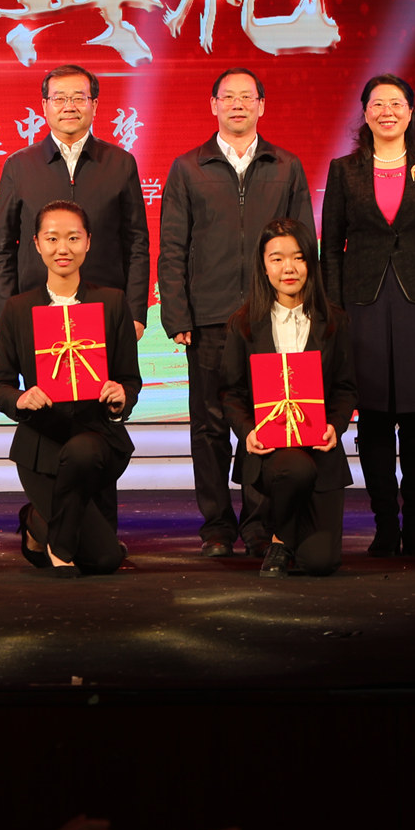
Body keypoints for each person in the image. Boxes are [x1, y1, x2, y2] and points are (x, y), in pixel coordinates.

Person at [159, 67, 315, 559]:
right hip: (208, 318)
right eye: (228, 97)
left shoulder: (286, 165)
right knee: (208, 426)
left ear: (262, 106)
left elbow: (305, 245)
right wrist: (177, 315)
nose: (238, 105)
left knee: (264, 421)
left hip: (270, 318)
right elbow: (172, 247)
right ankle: (216, 526)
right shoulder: (188, 167)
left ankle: (258, 523)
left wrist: (303, 309)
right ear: (213, 105)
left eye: (247, 97)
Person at [319, 73, 415, 558]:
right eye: (377, 104)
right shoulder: (344, 170)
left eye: (397, 103)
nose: (387, 112)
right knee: (375, 419)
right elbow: (331, 246)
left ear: (410, 112)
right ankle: (385, 526)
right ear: (365, 113)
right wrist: (333, 308)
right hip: (361, 306)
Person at [0, 200, 142, 576]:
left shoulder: (112, 302)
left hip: (96, 443)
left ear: (88, 241)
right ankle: (37, 522)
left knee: (105, 559)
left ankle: (49, 533)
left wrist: (121, 397)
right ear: (37, 244)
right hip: (42, 446)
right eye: (52, 238)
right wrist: (21, 398)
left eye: (73, 238)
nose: (63, 248)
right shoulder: (18, 309)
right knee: (105, 558)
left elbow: (130, 379)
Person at [217, 220, 357, 577]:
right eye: (277, 259)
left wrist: (335, 426)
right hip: (272, 453)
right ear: (264, 267)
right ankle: (280, 537)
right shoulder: (244, 324)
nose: (288, 268)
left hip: (320, 451)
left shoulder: (334, 321)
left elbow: (345, 388)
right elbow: (231, 392)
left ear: (311, 262)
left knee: (321, 563)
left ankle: (284, 536)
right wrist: (247, 431)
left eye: (298, 257)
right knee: (295, 468)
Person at [0, 64, 150, 335]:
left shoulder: (121, 163)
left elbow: (136, 243)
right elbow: (2, 248)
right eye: (59, 98)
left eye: (78, 98)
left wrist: (135, 313)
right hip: (35, 309)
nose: (69, 107)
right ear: (44, 105)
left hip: (107, 308)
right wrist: (8, 316)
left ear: (94, 105)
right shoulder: (18, 166)